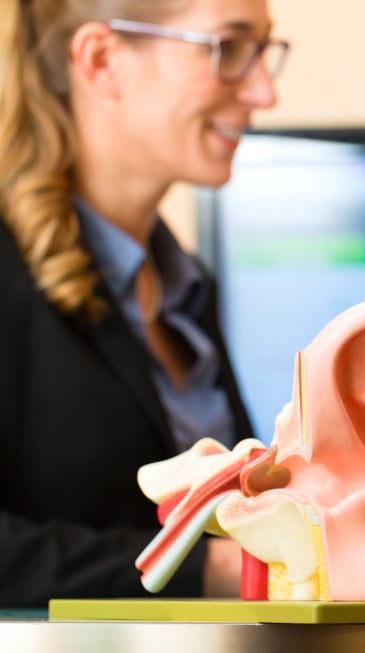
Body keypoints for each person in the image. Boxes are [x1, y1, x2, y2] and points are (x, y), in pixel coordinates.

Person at [0, 0, 288, 606]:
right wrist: (211, 567)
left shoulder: (184, 288)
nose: (265, 93)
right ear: (103, 60)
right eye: (228, 49)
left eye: (264, 51)